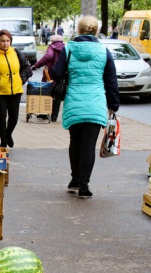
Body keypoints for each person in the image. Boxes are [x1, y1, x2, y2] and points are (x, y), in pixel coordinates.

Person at [49, 15, 119, 199]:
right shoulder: (104, 51)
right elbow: (111, 81)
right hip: (95, 103)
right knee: (89, 145)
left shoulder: (69, 49)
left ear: (78, 30)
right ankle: (84, 186)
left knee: (75, 142)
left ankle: (74, 179)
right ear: (96, 31)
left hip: (74, 103)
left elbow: (56, 74)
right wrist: (113, 105)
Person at [32, 34, 66, 122]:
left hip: (50, 73)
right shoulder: (65, 48)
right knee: (57, 93)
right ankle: (54, 116)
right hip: (60, 74)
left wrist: (36, 65)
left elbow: (48, 56)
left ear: (52, 41)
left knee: (46, 91)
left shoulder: (52, 47)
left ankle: (44, 114)